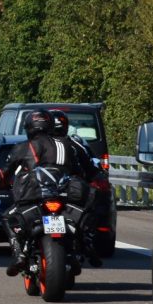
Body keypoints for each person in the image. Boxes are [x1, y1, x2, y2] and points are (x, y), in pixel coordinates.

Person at [2, 109, 89, 276]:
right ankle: (78, 253)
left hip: (34, 197)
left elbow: (5, 172)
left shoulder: (22, 147)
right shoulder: (65, 144)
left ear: (28, 127)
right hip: (64, 196)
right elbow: (79, 171)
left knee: (8, 217)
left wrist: (2, 183)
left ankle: (19, 253)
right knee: (82, 218)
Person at [49, 109, 104, 267]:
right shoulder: (74, 144)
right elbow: (91, 168)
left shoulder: (36, 144)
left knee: (88, 209)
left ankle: (86, 242)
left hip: (47, 191)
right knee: (89, 210)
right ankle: (88, 242)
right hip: (68, 190)